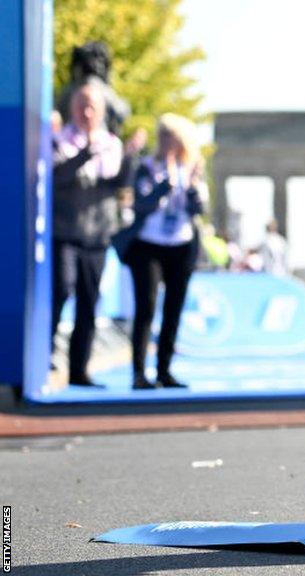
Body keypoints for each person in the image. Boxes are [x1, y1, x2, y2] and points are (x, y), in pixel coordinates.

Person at [51, 81, 140, 387]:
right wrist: (85, 153)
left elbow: (117, 184)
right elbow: (58, 177)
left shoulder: (111, 144)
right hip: (65, 231)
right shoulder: (59, 140)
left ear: (101, 111)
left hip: (97, 236)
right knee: (62, 289)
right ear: (72, 108)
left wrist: (129, 157)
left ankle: (79, 368)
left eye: (92, 106)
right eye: (81, 105)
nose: (86, 112)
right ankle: (47, 351)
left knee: (89, 303)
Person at [119, 113, 206, 390]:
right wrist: (164, 184)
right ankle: (138, 372)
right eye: (163, 135)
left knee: (173, 309)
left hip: (181, 247)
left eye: (173, 136)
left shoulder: (192, 169)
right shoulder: (147, 167)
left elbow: (198, 210)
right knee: (146, 307)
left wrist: (191, 187)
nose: (167, 141)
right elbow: (141, 204)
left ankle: (164, 370)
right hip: (148, 245)